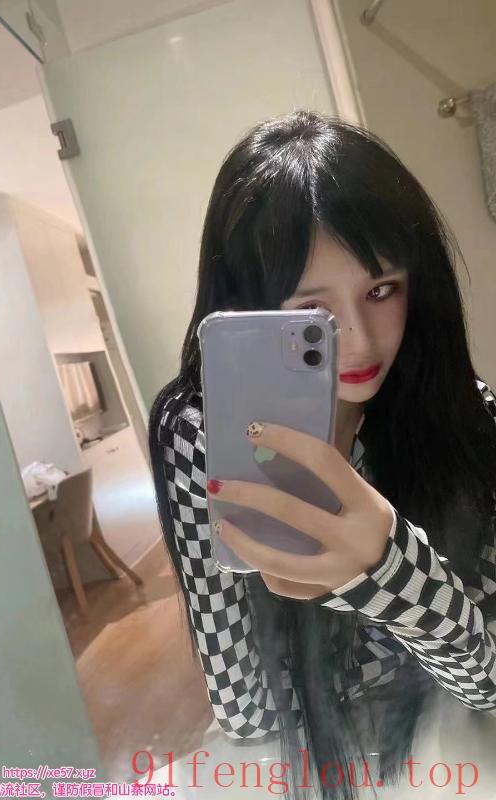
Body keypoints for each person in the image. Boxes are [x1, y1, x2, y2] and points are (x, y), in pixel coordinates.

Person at [147, 110, 496, 800]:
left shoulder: (463, 414)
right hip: (304, 756)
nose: (360, 341)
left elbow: (487, 683)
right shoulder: (199, 430)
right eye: (314, 312)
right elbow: (243, 708)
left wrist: (389, 570)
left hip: (441, 742)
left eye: (381, 290)